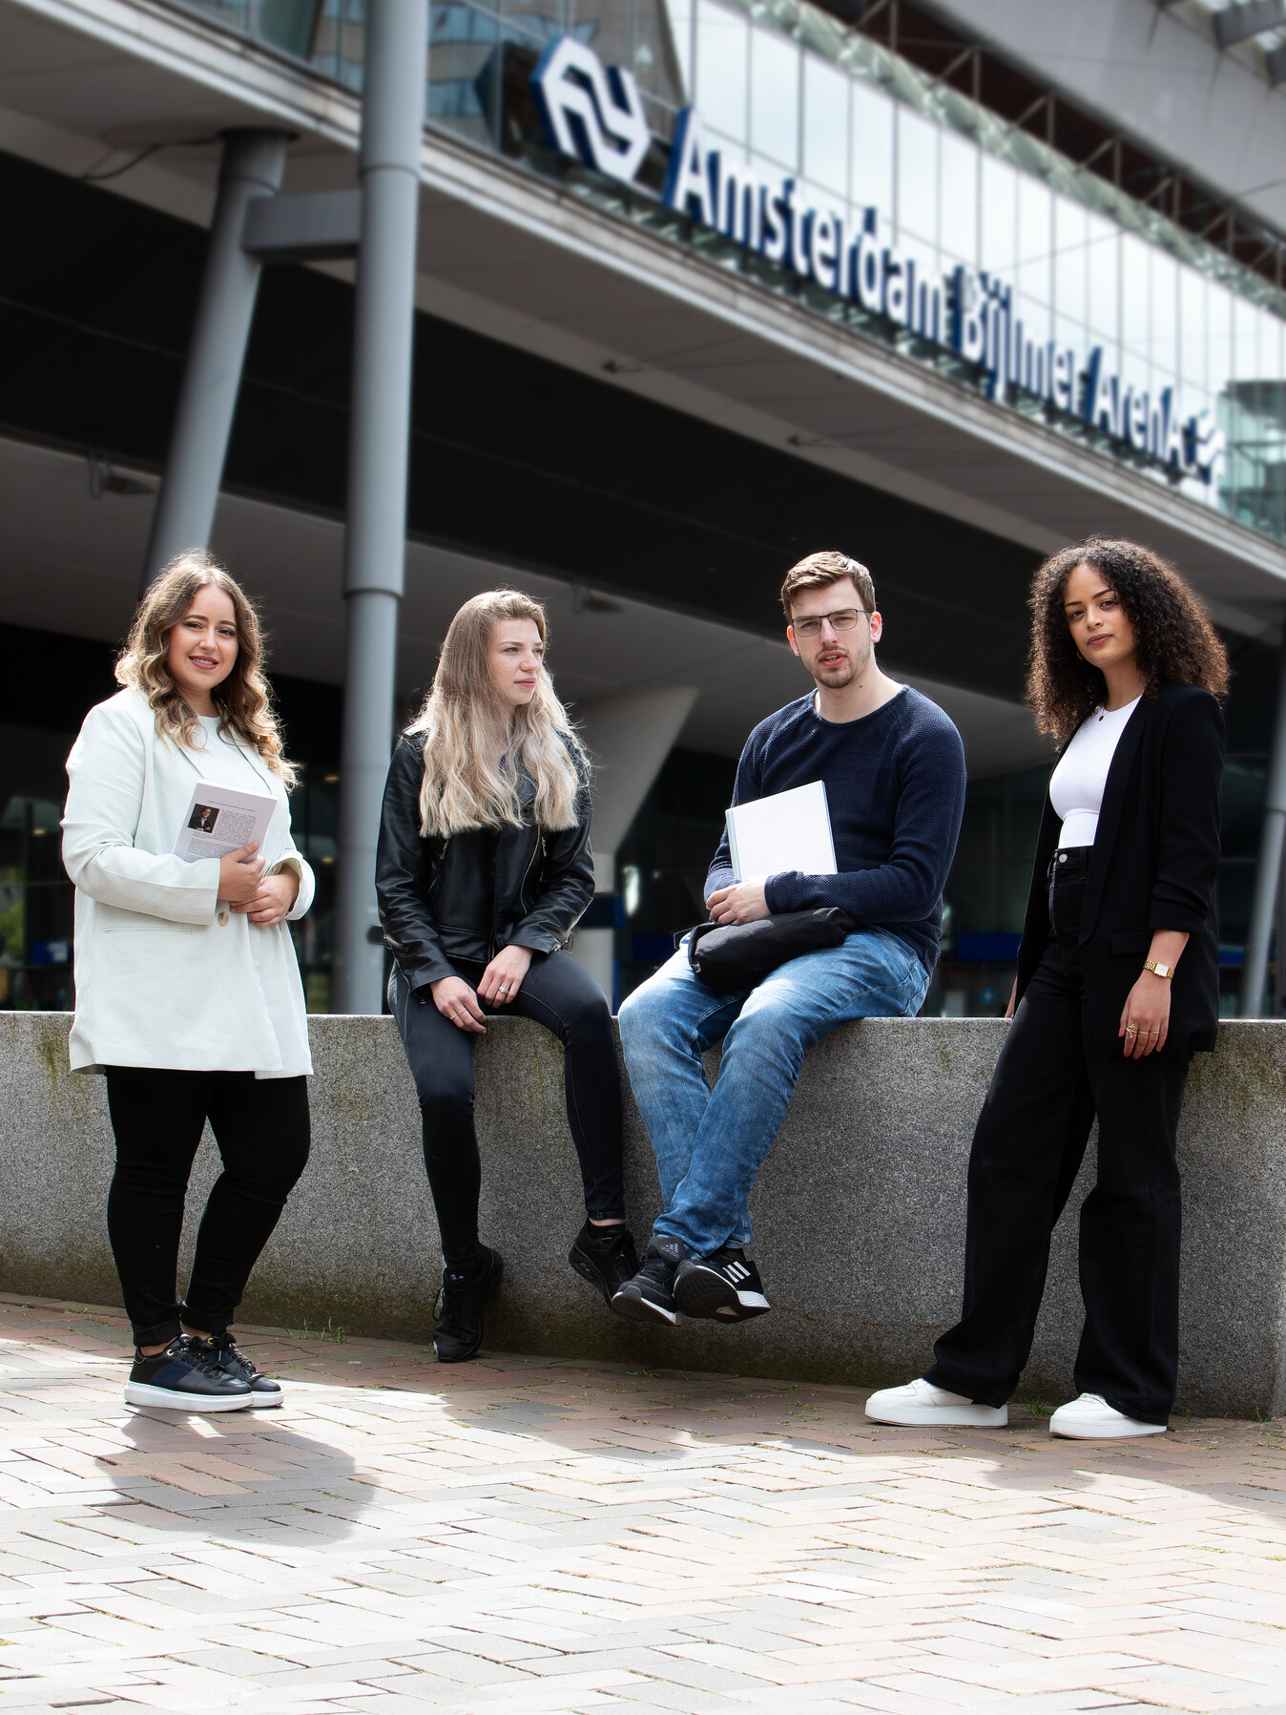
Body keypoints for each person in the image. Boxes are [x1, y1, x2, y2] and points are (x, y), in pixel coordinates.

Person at [866, 537, 1227, 1440]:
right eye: (1074, 611)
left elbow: (1189, 855)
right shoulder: (1083, 723)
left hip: (1141, 960)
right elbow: (1052, 859)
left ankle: (1132, 1392)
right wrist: (1030, 975)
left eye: (1106, 601)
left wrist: (1158, 973)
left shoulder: (1184, 713)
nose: (1092, 620)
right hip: (1067, 962)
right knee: (1008, 1154)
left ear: (1146, 607)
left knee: (1133, 1178)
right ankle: (975, 1377)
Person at [613, 550, 966, 1327]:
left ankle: (677, 1246)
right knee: (643, 1014)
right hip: (766, 940)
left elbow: (915, 886)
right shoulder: (771, 738)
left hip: (880, 948)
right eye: (812, 625)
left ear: (873, 624)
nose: (829, 636)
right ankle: (721, 1253)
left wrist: (779, 890)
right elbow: (726, 854)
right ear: (792, 639)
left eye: (843, 619)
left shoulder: (926, 734)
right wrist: (721, 891)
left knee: (768, 1016)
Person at [61, 550, 314, 1413]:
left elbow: (280, 852)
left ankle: (207, 1334)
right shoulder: (121, 723)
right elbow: (89, 855)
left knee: (277, 1151)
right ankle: (156, 1351)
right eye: (195, 624)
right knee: (156, 1168)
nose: (210, 642)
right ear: (162, 630)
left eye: (227, 629)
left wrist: (288, 883)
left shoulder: (247, 736)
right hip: (159, 994)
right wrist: (211, 884)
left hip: (246, 992)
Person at [377, 588, 637, 1363]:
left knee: (592, 1017)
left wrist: (526, 946)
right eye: (512, 650)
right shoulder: (420, 753)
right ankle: (466, 1267)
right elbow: (395, 885)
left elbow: (573, 876)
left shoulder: (558, 751)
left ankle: (605, 1232)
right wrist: (432, 973)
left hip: (516, 955)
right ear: (473, 660)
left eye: (536, 649)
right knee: (445, 1092)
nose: (531, 663)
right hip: (435, 961)